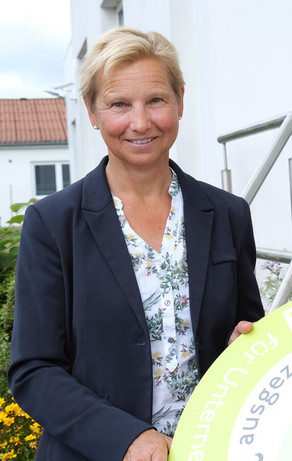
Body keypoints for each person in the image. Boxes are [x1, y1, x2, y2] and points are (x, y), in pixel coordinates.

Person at [7, 28, 264, 461]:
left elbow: (247, 329)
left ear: (180, 100)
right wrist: (125, 438)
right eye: (119, 104)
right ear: (92, 110)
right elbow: (34, 370)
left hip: (210, 449)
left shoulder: (228, 214)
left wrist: (249, 343)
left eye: (156, 100)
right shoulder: (52, 224)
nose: (140, 122)